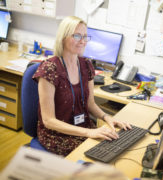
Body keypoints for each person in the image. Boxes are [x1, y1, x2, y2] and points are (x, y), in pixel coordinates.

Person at [33, 16, 131, 156]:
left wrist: (107, 118)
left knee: (115, 145)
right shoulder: (49, 69)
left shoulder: (86, 65)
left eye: (85, 36)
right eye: (77, 35)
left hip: (83, 127)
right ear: (63, 37)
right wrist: (89, 132)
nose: (83, 41)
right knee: (100, 154)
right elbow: (49, 121)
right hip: (57, 134)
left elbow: (90, 104)